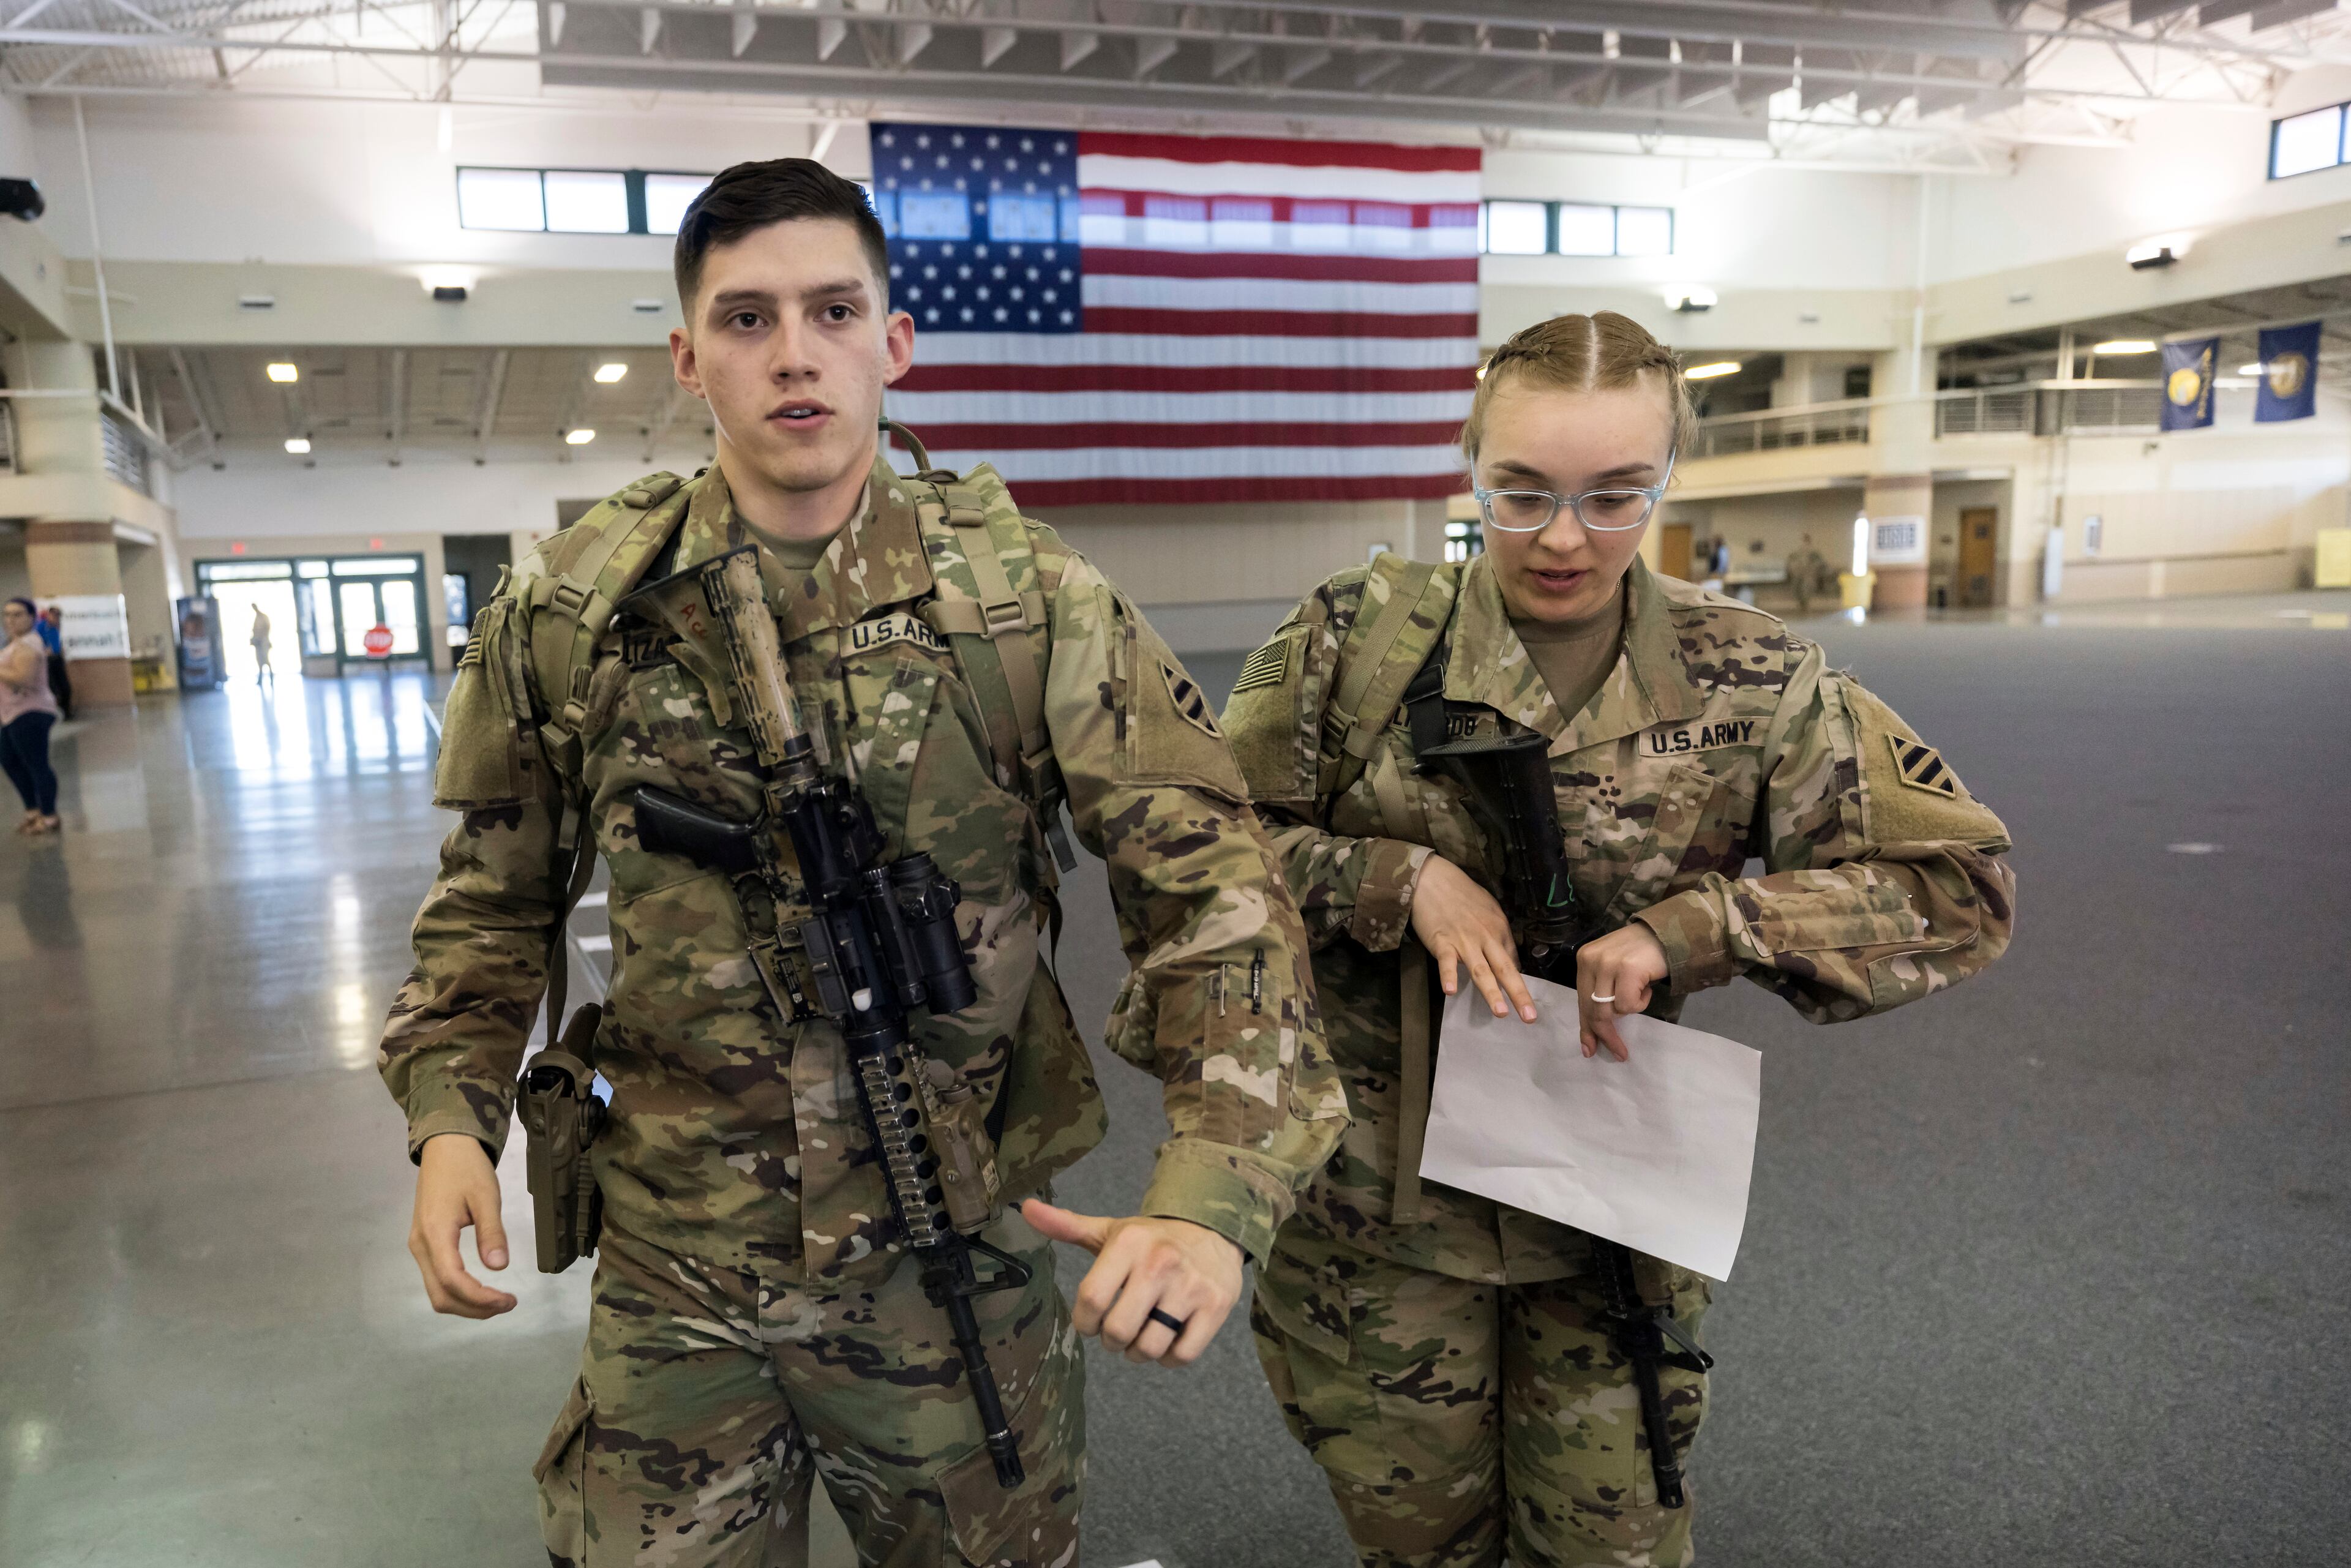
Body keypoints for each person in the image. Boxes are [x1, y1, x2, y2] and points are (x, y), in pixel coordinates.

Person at [378, 157, 1343, 1568]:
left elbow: (1217, 898)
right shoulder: (578, 608)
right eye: (746, 318)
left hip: (949, 1248)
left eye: (833, 310)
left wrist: (1214, 1187)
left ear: (893, 341)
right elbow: (491, 894)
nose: (793, 355)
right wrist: (447, 1109)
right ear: (686, 357)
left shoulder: (1025, 603)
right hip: (675, 1263)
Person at [1220, 311, 2017, 1568]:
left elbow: (1956, 885)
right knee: (1416, 1541)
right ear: (1469, 462)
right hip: (1379, 1204)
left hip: (1601, 1209)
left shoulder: (1749, 673)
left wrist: (1705, 922)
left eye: (1613, 497)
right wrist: (1393, 875)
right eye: (1521, 493)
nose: (1561, 538)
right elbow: (1202, 843)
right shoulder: (1354, 637)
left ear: (1666, 485)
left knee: (1614, 1544)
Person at [1, 597, 62, 835]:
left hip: (30, 712)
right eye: (7, 615)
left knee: (37, 764)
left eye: (17, 614)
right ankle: (33, 810)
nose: (11, 620)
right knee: (10, 761)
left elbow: (23, 678)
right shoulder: (14, 643)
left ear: (32, 617)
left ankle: (49, 816)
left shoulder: (29, 644)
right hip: (10, 713)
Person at [36, 604, 70, 721]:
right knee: (53, 688)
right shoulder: (41, 627)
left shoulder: (56, 627)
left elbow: (57, 642)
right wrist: (44, 651)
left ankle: (67, 712)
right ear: (49, 615)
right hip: (47, 661)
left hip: (57, 659)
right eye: (54, 616)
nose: (56, 618)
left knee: (65, 687)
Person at [1787, 532, 1827, 613]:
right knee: (1797, 591)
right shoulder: (1797, 553)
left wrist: (1812, 570)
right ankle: (1801, 606)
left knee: (1806, 591)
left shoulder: (1814, 553)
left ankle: (1806, 606)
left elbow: (1819, 563)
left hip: (1809, 576)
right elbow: (1791, 563)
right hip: (1798, 575)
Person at [249, 605, 274, 685]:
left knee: (266, 660)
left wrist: (261, 636)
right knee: (259, 661)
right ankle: (260, 679)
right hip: (258, 643)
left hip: (264, 643)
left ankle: (271, 677)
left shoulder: (263, 617)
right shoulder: (257, 618)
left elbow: (267, 628)